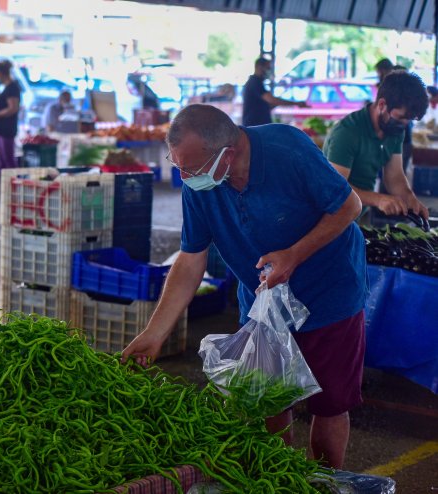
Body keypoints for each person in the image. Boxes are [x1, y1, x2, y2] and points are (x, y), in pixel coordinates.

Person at [122, 104, 367, 469]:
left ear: (229, 153)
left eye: (191, 168)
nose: (185, 177)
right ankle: (277, 478)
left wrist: (294, 255)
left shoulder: (288, 149)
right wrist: (155, 332)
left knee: (330, 403)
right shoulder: (200, 185)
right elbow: (191, 259)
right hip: (261, 304)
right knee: (266, 399)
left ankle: (325, 480)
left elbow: (349, 206)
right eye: (178, 167)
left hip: (329, 292)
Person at [323, 71, 429, 221]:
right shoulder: (347, 132)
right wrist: (378, 199)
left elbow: (394, 177)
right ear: (382, 105)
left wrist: (410, 199)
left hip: (357, 214)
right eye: (401, 117)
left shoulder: (394, 129)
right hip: (330, 219)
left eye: (409, 120)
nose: (404, 124)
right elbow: (335, 188)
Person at [242, 57, 307, 126]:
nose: (268, 71)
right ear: (259, 67)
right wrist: (296, 103)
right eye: (267, 68)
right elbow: (271, 100)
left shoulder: (257, 82)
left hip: (258, 125)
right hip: (255, 125)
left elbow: (268, 103)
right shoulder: (255, 82)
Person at [0, 60, 21, 200]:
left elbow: (13, 108)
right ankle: (3, 189)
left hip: (6, 130)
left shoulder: (12, 88)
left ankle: (14, 190)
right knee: (2, 161)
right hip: (0, 130)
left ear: (1, 73)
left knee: (8, 161)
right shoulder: (7, 88)